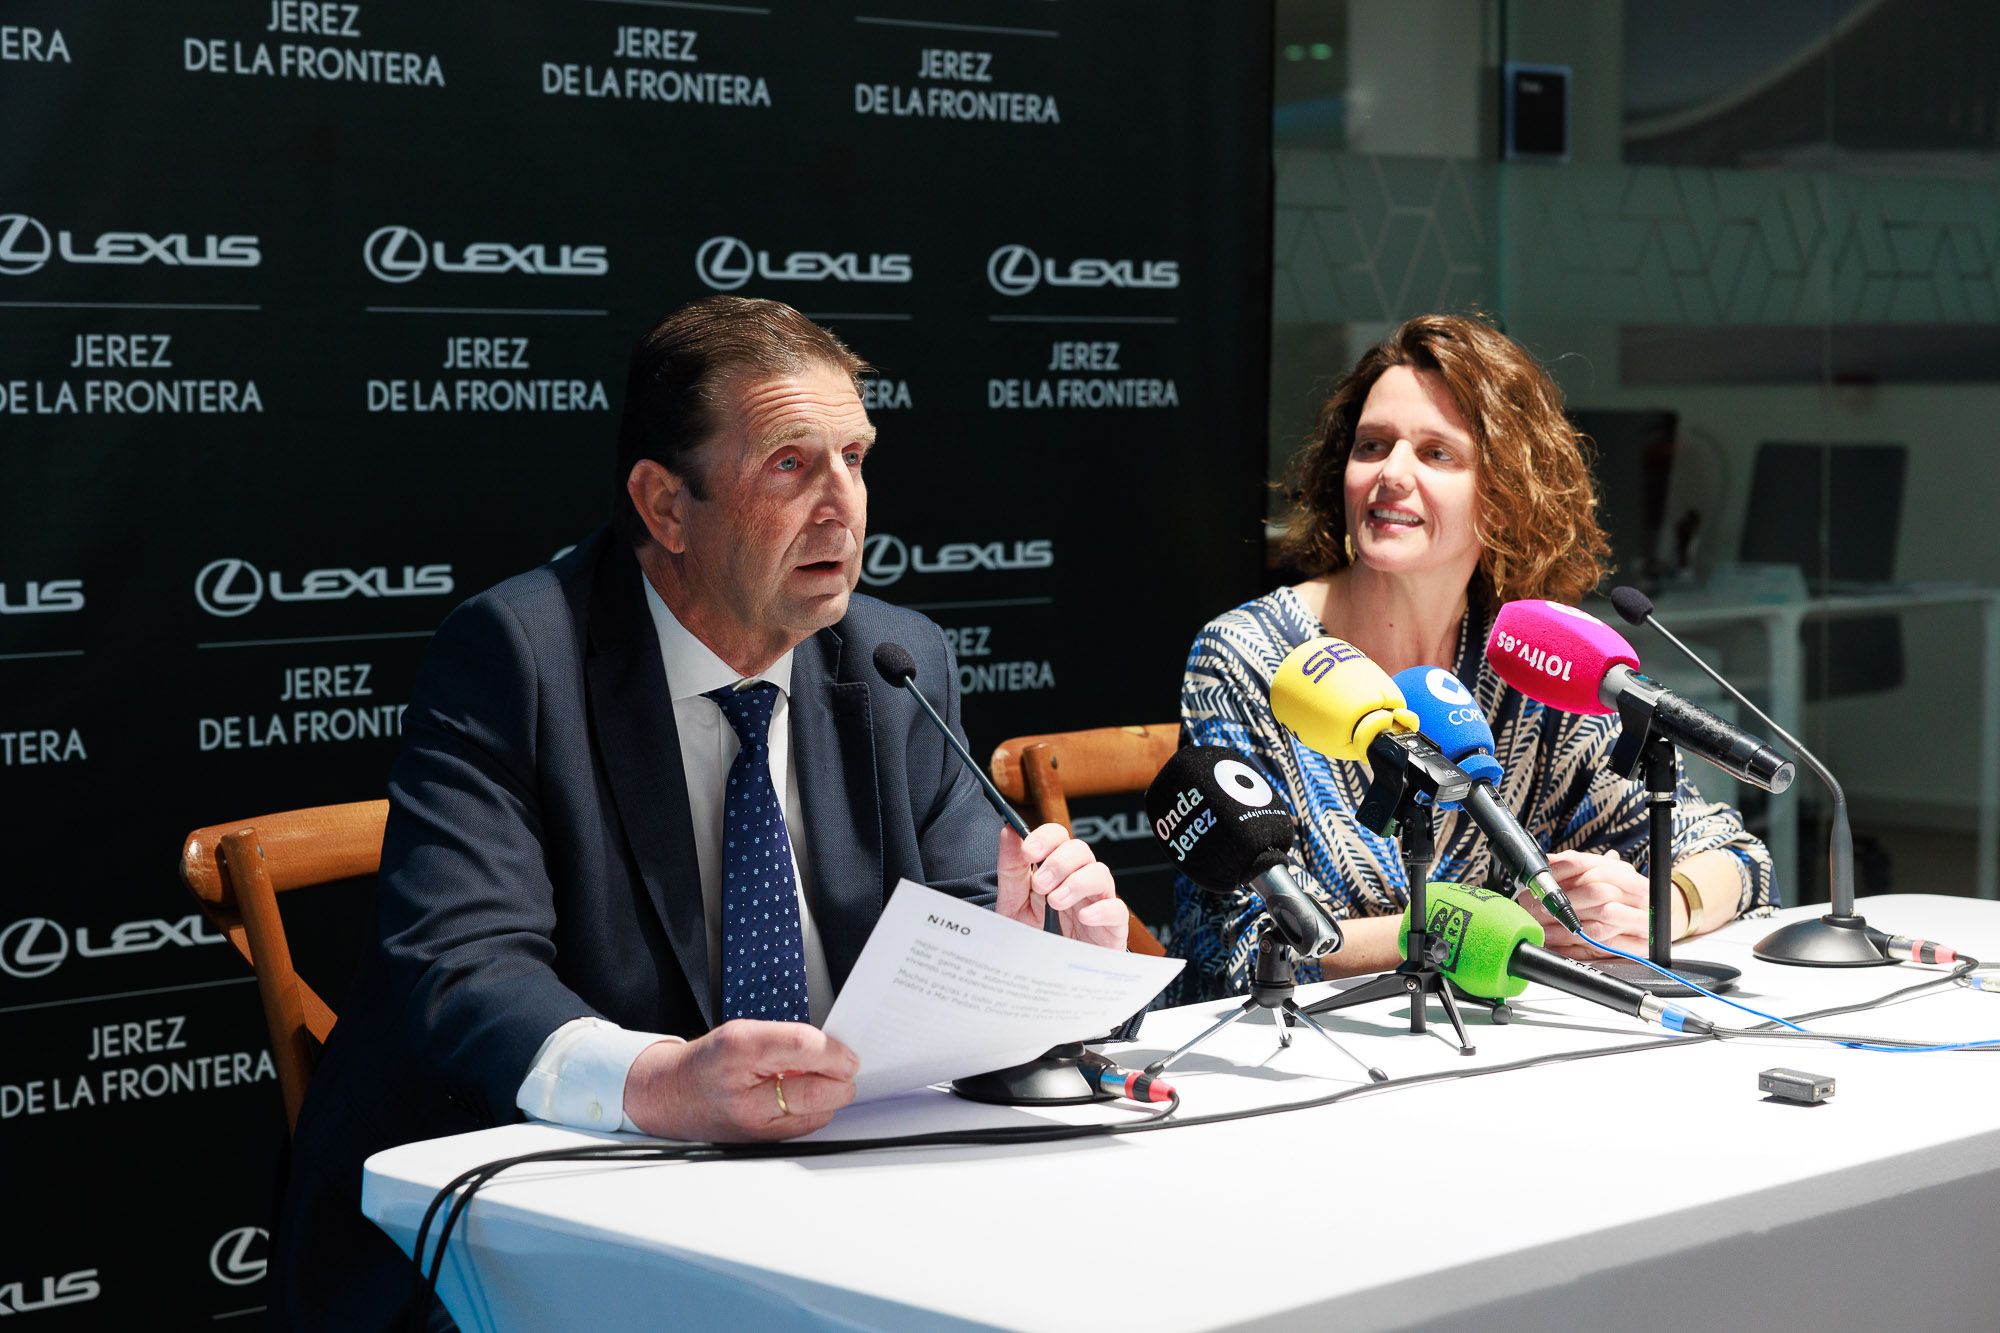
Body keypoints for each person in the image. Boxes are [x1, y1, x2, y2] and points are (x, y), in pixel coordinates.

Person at [269, 296, 1128, 1329]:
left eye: (854, 457)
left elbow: (952, 941)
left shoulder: (895, 661)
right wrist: (660, 1080)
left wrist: (1046, 959)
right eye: (788, 465)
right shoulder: (514, 657)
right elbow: (461, 967)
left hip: (831, 1208)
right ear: (664, 506)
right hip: (562, 1219)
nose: (843, 506)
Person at [1168, 313, 1773, 1003]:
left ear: (1505, 493)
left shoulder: (1528, 660)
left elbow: (1737, 858)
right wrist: (1490, 932)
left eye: (1436, 453)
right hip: (1294, 1060)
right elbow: (1245, 947)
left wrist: (1661, 902)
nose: (1391, 473)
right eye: (1372, 446)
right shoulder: (1250, 655)